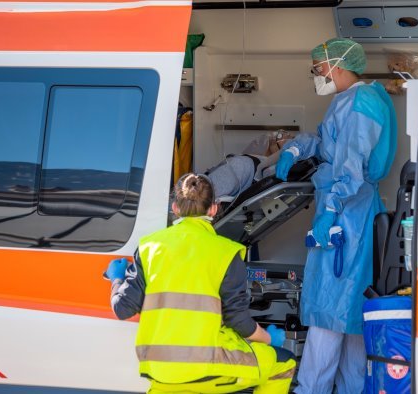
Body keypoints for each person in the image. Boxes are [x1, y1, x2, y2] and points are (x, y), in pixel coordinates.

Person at [275, 38, 397, 394]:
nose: (316, 74)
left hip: (348, 214)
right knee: (351, 316)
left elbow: (352, 167)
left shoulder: (361, 102)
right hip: (347, 210)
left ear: (337, 65)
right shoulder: (348, 101)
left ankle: (310, 388)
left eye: (318, 67)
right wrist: (296, 147)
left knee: (332, 310)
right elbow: (331, 145)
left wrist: (330, 211)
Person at [105, 173, 296, 394]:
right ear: (214, 209)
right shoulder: (226, 251)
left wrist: (116, 278)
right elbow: (239, 322)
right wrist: (271, 338)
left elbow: (121, 308)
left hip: (160, 371)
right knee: (284, 363)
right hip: (208, 367)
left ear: (175, 208)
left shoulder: (148, 248)